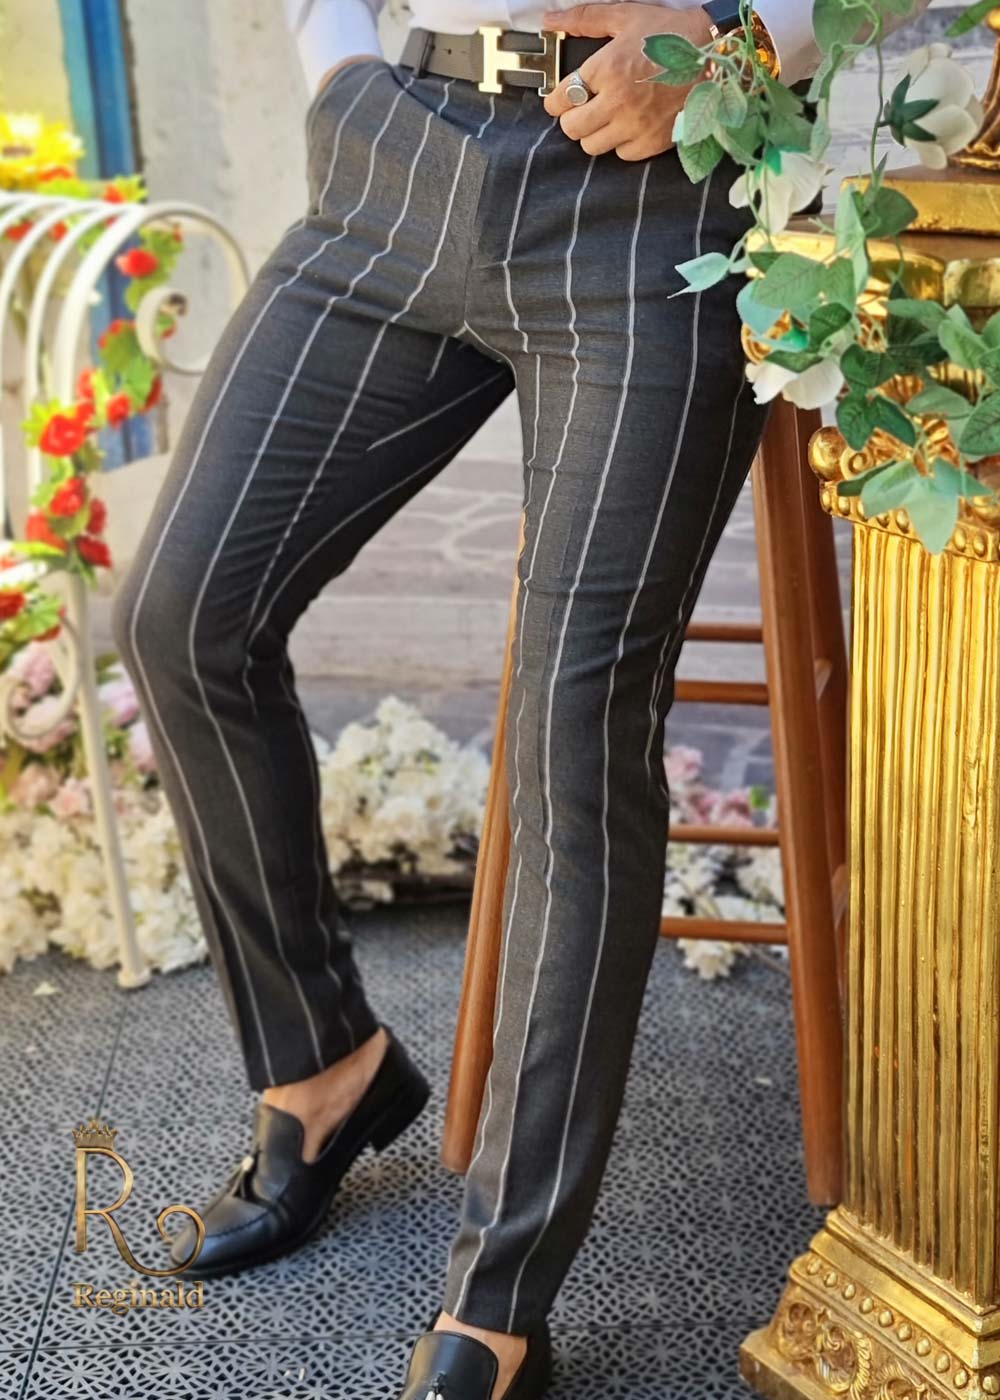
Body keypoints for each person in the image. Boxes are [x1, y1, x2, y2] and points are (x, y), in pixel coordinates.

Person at [110, 1, 928, 1396]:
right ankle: (322, 1067)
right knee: (182, 617)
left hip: (659, 192)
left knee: (574, 734)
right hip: (398, 155)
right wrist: (340, 73)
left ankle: (497, 1298)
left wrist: (735, 36)